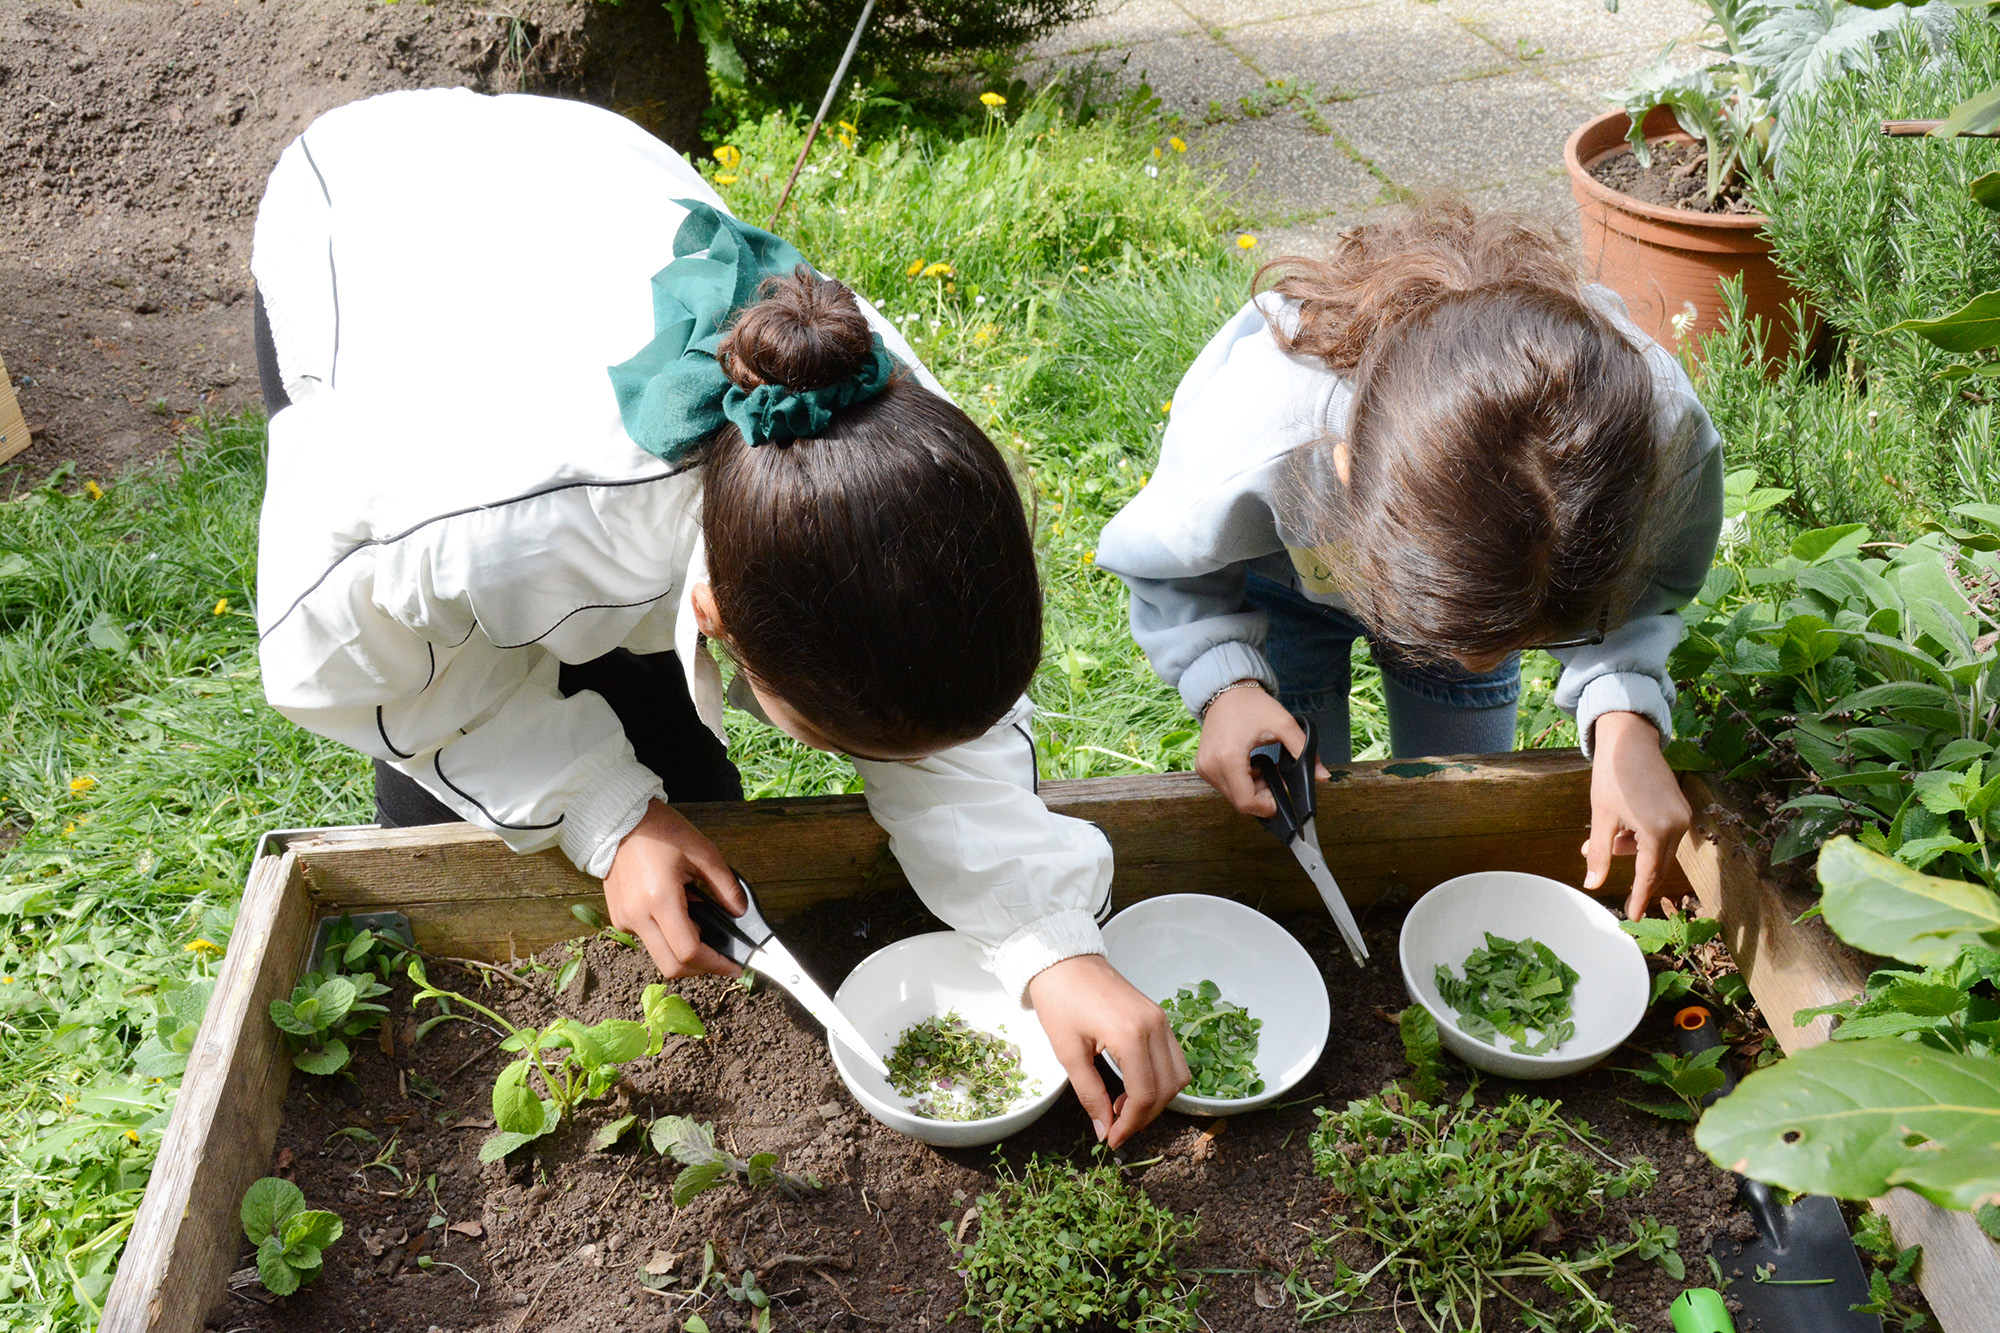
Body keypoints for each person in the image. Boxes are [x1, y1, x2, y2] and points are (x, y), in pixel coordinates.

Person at [250, 88, 1187, 1145]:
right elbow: (359, 661)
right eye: (833, 730)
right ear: (715, 620)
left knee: (674, 783)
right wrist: (603, 812)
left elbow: (928, 700)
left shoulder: (894, 447)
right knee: (481, 800)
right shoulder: (465, 524)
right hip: (371, 216)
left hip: (583, 170)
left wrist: (1048, 940)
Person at [1096, 198, 1723, 921]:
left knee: (1461, 800)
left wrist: (1623, 708)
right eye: (1468, 639)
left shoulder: (1658, 436)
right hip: (1283, 582)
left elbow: (1642, 594)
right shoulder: (1260, 428)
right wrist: (1225, 683)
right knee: (1302, 786)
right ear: (1345, 472)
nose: (1479, 664)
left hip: (1482, 589)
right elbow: (1170, 561)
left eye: (1515, 641)